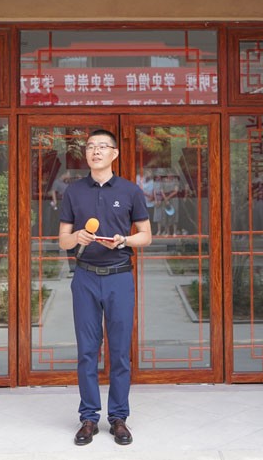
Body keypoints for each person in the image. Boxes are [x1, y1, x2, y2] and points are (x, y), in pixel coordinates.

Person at [58, 129, 152, 447]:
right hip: (85, 277)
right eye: (90, 147)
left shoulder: (130, 191)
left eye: (102, 146)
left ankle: (118, 418)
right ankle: (88, 418)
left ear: (114, 153)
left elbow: (146, 236)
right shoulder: (73, 192)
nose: (95, 151)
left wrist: (124, 240)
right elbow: (63, 240)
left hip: (119, 277)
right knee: (87, 351)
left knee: (120, 352)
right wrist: (77, 238)